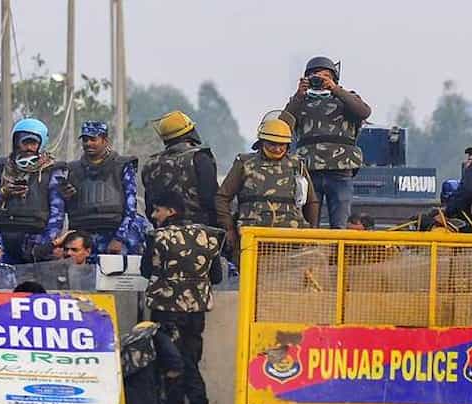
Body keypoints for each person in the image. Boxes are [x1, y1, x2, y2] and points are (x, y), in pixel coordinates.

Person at [142, 192, 222, 404]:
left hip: (167, 312)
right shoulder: (208, 236)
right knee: (190, 365)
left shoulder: (158, 237)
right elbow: (217, 277)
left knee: (172, 369)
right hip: (195, 314)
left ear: (171, 212)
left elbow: (147, 271)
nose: (154, 216)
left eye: (158, 210)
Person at [282, 55, 371, 229]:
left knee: (340, 225)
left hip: (340, 171)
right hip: (309, 171)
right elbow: (282, 126)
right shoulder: (301, 101)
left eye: (325, 76)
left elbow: (364, 112)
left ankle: (338, 255)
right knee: (308, 225)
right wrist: (298, 95)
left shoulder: (346, 98)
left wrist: (335, 90)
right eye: (315, 75)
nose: (320, 79)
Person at [216, 117, 319, 256]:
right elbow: (222, 198)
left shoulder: (297, 165)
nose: (277, 149)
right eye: (272, 144)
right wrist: (229, 229)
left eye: (282, 144)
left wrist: (311, 231)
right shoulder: (244, 163)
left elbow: (311, 202)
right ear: (261, 142)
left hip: (291, 239)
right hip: (252, 239)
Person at [0, 117, 67, 263]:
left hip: (35, 237)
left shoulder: (52, 170)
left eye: (33, 143)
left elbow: (57, 213)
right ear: (16, 143)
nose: (28, 148)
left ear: (41, 144)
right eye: (24, 142)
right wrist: (3, 193)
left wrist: (45, 244)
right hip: (4, 237)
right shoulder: (2, 168)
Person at [62, 121, 142, 255]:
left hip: (114, 233)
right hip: (83, 237)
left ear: (105, 140)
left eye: (93, 139)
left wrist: (120, 238)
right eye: (85, 140)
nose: (88, 144)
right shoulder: (72, 169)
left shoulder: (122, 165)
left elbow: (131, 206)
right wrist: (66, 197)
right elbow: (62, 208)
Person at [144, 110, 219, 227]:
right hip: (200, 236)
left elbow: (150, 208)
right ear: (190, 132)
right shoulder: (200, 158)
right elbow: (210, 200)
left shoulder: (150, 165)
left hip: (162, 237)